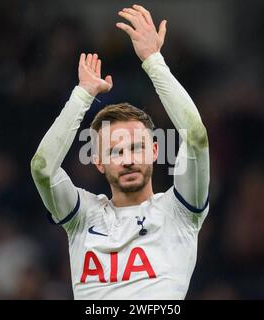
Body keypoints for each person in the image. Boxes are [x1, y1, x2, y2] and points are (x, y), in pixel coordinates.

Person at [31, 4, 210, 300]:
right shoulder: (83, 217)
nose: (128, 159)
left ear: (155, 150)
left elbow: (196, 136)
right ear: (98, 162)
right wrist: (82, 95)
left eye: (137, 148)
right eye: (115, 152)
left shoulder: (179, 212)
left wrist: (154, 61)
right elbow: (42, 168)